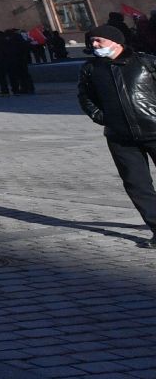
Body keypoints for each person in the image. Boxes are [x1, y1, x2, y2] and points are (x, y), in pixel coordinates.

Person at [76, 25, 156, 248]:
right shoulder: (90, 69)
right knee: (136, 184)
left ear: (115, 41)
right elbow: (85, 97)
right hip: (120, 136)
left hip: (153, 129)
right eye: (92, 41)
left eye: (98, 40)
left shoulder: (145, 62)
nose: (94, 45)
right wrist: (101, 116)